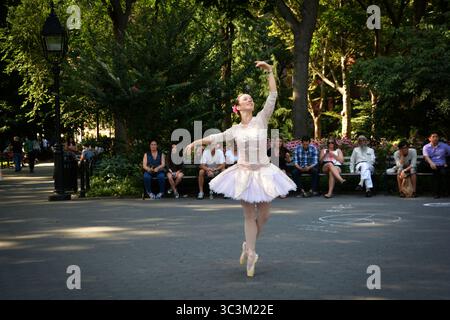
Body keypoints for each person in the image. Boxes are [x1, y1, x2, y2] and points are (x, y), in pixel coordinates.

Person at [185, 61, 296, 277]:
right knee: (248, 215)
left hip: (263, 171)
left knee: (264, 215)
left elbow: (272, 96)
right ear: (239, 107)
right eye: (246, 99)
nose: (250, 99)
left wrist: (271, 72)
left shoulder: (261, 120)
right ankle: (252, 253)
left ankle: (247, 245)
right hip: (244, 173)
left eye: (251, 98)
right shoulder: (235, 129)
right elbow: (215, 137)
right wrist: (195, 142)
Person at [422, 132, 450, 198]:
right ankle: (437, 193)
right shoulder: (426, 147)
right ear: (429, 139)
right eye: (433, 137)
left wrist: (447, 163)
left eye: (437, 136)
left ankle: (441, 192)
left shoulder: (444, 146)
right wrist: (431, 163)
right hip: (430, 164)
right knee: (436, 172)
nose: (435, 138)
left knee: (443, 172)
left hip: (442, 165)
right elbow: (426, 157)